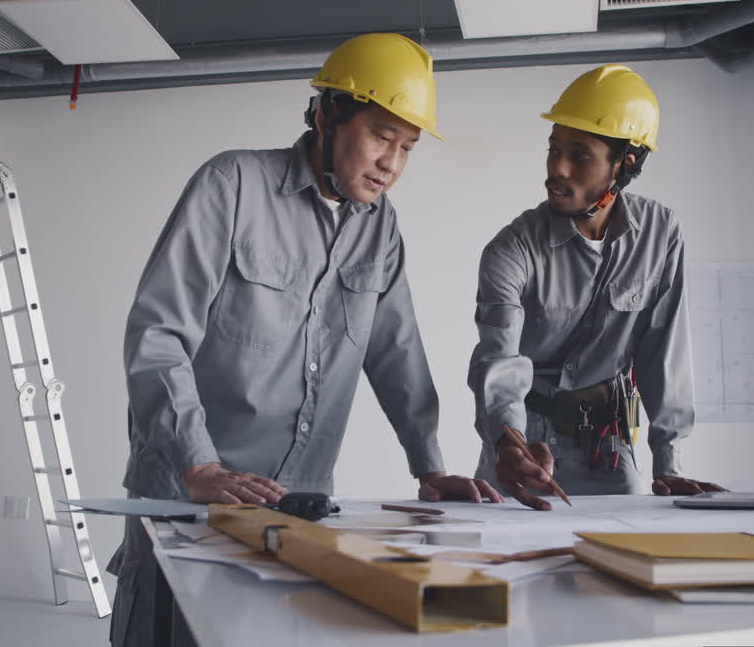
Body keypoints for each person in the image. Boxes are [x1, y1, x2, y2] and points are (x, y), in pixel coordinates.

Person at [108, 33, 500, 646]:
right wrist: (198, 462)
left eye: (406, 147)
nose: (391, 163)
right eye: (380, 136)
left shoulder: (381, 228)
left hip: (297, 504)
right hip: (188, 496)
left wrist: (430, 467)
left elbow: (396, 351)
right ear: (327, 116)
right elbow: (159, 335)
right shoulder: (232, 184)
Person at [469, 64, 725, 510]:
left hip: (608, 450)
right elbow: (500, 362)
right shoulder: (511, 249)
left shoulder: (661, 234)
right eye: (553, 149)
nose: (558, 168)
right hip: (523, 451)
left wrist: (669, 464)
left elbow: (663, 352)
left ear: (625, 163)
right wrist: (509, 444)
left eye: (580, 154)